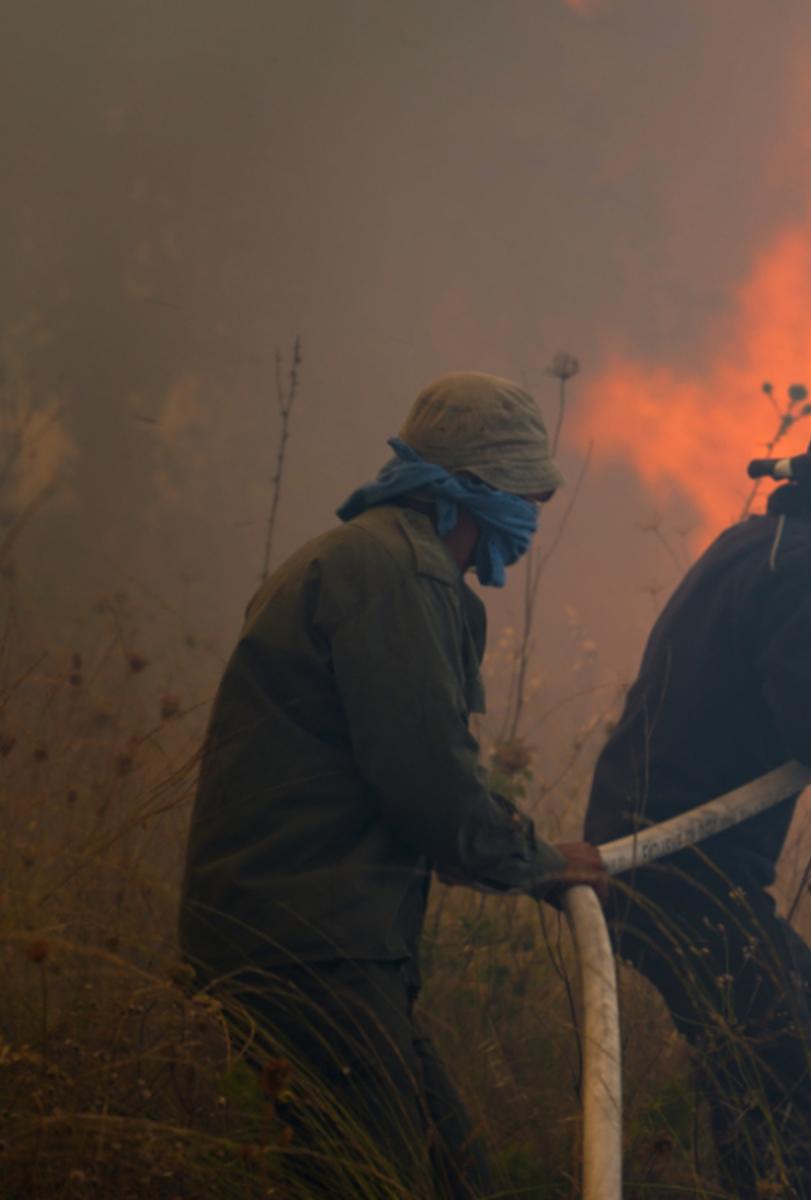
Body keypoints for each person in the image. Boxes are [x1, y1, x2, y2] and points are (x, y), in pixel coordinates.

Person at [179, 372, 608, 1198]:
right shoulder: (396, 575)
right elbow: (427, 783)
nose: (530, 524)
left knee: (450, 1174)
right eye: (526, 498)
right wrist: (539, 863)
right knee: (374, 1179)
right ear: (476, 491)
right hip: (309, 946)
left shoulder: (360, 558)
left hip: (311, 937)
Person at [585, 409, 811, 1200]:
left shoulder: (752, 545)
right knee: (807, 1087)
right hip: (676, 870)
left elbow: (798, 696)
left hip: (664, 863)